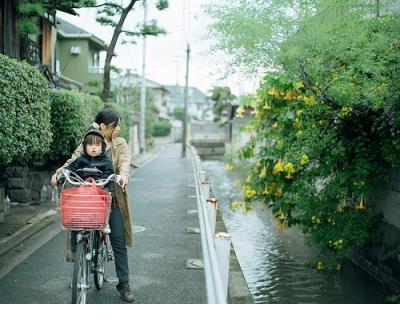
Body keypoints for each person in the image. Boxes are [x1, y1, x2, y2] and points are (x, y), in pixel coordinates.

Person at [52, 108, 134, 303]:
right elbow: (73, 160)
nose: (119, 129)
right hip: (88, 197)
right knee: (76, 223)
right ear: (104, 126)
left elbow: (124, 162)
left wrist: (123, 176)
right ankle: (79, 266)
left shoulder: (119, 143)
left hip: (110, 196)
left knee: (117, 240)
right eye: (116, 125)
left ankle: (124, 283)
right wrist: (59, 172)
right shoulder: (89, 141)